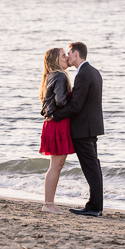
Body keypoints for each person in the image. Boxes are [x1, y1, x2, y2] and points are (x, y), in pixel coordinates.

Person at [51, 41, 104, 216]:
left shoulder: (83, 74)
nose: (67, 57)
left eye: (69, 53)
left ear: (76, 54)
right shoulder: (94, 72)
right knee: (94, 166)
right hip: (92, 127)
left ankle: (94, 207)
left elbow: (76, 106)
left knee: (91, 168)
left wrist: (55, 115)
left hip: (83, 129)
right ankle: (96, 206)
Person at [39, 47, 75, 214]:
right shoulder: (59, 76)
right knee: (56, 165)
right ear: (56, 60)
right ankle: (48, 204)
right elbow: (60, 101)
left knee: (57, 164)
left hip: (53, 124)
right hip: (57, 124)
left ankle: (49, 203)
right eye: (63, 56)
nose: (66, 58)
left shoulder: (51, 76)